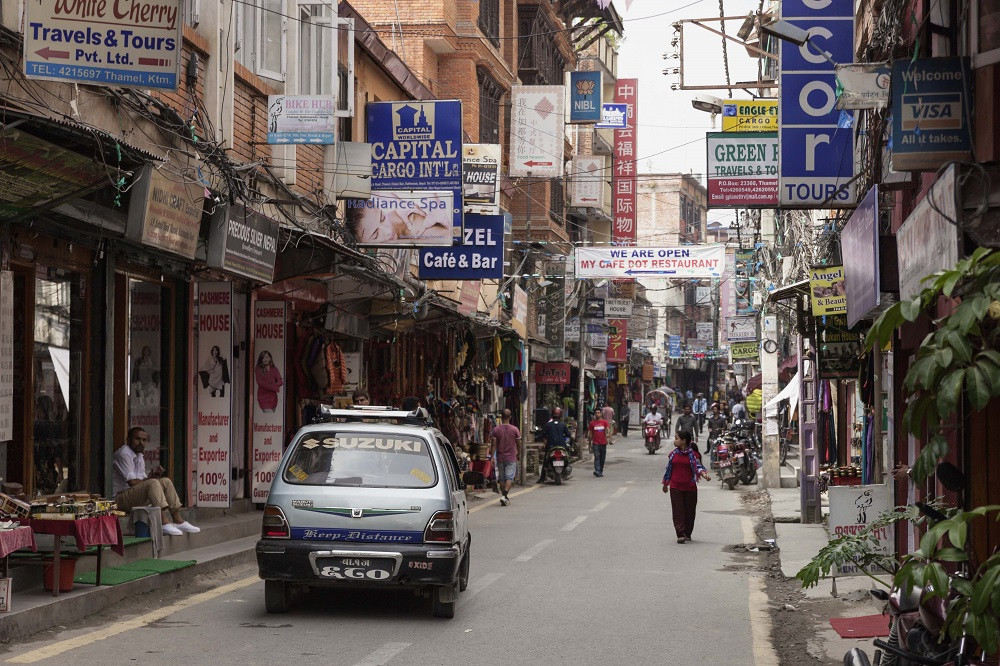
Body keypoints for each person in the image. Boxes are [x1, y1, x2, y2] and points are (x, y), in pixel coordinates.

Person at [113, 427, 200, 536]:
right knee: (153, 483)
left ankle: (178, 520)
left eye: (144, 440)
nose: (141, 443)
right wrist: (152, 480)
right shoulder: (124, 454)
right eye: (137, 439)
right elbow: (132, 483)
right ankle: (163, 522)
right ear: (128, 440)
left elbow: (142, 482)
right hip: (118, 500)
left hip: (133, 495)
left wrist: (153, 477)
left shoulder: (139, 455)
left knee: (165, 481)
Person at [661, 429, 710, 544]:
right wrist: (665, 483)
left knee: (690, 511)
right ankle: (680, 534)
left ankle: (687, 533)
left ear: (683, 441)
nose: (674, 441)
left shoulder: (692, 455)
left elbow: (698, 466)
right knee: (678, 511)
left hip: (690, 487)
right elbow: (668, 469)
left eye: (676, 438)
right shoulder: (673, 454)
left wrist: (704, 474)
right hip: (675, 486)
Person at [489, 409, 521, 506]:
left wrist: (492, 457)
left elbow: (493, 445)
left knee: (502, 479)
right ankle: (504, 496)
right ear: (510, 417)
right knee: (509, 478)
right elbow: (519, 444)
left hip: (500, 457)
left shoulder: (496, 430)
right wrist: (519, 454)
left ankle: (504, 497)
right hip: (511, 457)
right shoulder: (515, 429)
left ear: (501, 417)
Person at [538, 407, 572, 483]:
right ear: (561, 415)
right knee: (567, 458)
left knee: (546, 462)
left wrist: (537, 437)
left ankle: (542, 478)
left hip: (550, 446)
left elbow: (542, 435)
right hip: (562, 446)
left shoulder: (548, 425)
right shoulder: (563, 425)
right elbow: (568, 435)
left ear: (552, 415)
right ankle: (567, 470)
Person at [588, 408, 613, 477]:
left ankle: (600, 470)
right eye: (596, 413)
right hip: (595, 443)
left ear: (601, 414)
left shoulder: (604, 422)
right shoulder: (592, 423)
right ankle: (597, 470)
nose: (597, 414)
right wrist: (589, 444)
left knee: (602, 458)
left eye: (598, 413)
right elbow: (590, 434)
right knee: (597, 457)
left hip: (603, 443)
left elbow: (608, 430)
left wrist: (608, 436)